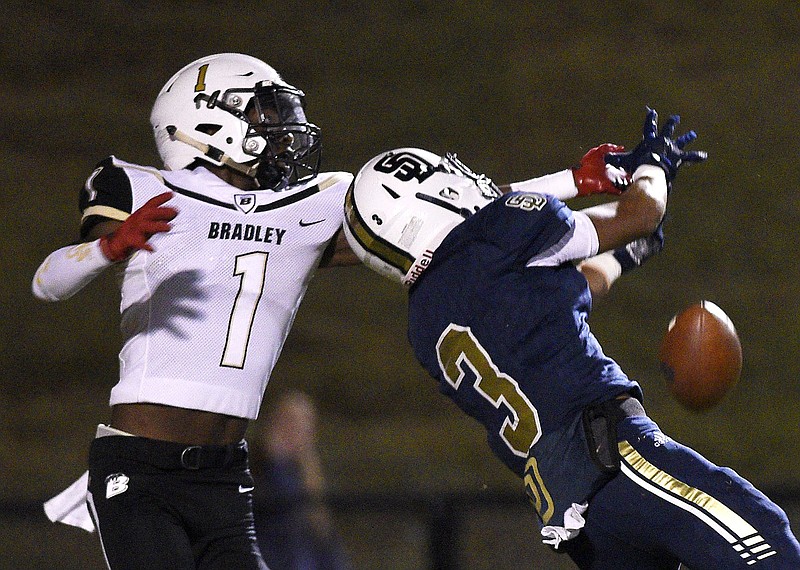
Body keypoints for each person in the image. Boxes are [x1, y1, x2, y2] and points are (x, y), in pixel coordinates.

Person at [342, 109, 800, 568]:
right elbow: (639, 214)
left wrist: (624, 256)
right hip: (615, 455)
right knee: (767, 544)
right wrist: (654, 166)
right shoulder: (499, 235)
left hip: (575, 507)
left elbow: (567, 292)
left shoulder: (426, 319)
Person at [32, 53, 359, 570]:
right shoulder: (144, 189)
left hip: (226, 476)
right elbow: (47, 282)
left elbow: (401, 232)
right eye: (263, 113)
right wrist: (108, 247)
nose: (281, 128)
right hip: (141, 471)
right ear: (208, 119)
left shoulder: (309, 206)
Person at [251, 390, 352, 570]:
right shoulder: (252, 470)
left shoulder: (309, 475)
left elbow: (325, 539)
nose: (296, 431)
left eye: (304, 424)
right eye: (288, 422)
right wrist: (276, 460)